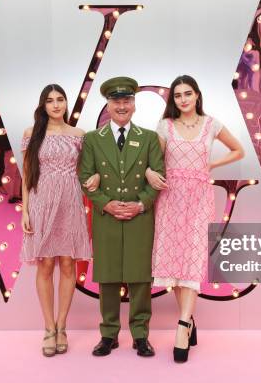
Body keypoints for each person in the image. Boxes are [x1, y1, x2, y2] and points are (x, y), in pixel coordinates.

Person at [146, 75, 245, 362]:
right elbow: (154, 160)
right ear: (173, 100)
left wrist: (212, 163)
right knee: (174, 262)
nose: (183, 99)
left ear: (197, 95)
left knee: (192, 259)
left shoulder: (211, 124)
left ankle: (181, 325)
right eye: (178, 95)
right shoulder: (165, 126)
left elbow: (239, 150)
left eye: (188, 94)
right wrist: (151, 173)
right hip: (170, 198)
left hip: (199, 198)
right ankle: (188, 320)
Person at [78, 76, 165, 358]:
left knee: (140, 278)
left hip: (140, 217)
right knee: (109, 278)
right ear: (108, 104)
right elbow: (84, 178)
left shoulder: (149, 138)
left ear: (134, 104)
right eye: (116, 101)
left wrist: (141, 205)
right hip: (107, 218)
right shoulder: (93, 139)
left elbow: (158, 179)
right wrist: (107, 204)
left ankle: (141, 335)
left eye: (127, 100)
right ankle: (108, 335)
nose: (122, 105)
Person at [20, 84, 98, 357]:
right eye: (50, 100)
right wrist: (25, 211)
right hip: (41, 201)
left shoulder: (79, 135)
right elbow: (27, 174)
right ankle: (48, 328)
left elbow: (86, 170)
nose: (56, 104)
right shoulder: (32, 134)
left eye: (60, 99)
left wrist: (95, 179)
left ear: (66, 103)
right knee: (45, 264)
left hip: (70, 202)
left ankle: (62, 326)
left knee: (67, 263)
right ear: (43, 105)